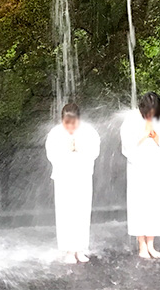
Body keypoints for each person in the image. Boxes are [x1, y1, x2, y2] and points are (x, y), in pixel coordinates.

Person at [45, 103, 101, 264]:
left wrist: (79, 148)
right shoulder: (55, 133)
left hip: (82, 176)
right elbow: (51, 154)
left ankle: (80, 248)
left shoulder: (89, 132)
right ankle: (69, 249)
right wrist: (66, 150)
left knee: (82, 210)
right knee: (65, 211)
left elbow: (94, 151)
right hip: (64, 178)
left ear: (79, 120)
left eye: (73, 123)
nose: (70, 127)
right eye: (66, 123)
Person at [120, 92, 160, 259]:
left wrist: (156, 137)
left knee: (155, 203)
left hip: (155, 168)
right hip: (137, 168)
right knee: (138, 203)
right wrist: (144, 135)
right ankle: (141, 243)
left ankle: (151, 242)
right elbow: (127, 146)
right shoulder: (131, 121)